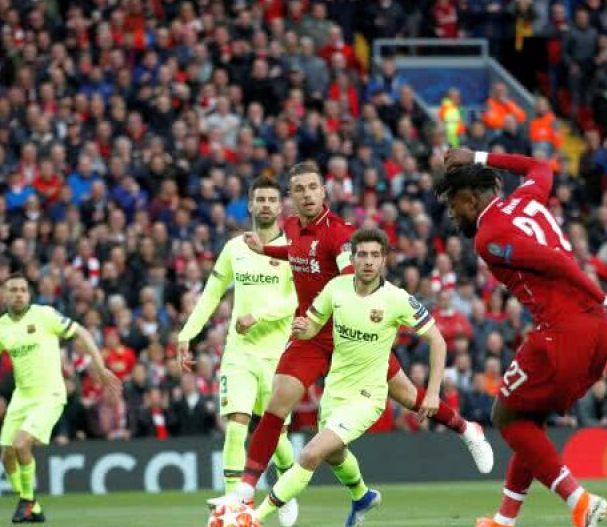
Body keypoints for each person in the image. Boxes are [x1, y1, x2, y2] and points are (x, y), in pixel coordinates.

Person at [208, 161, 492, 508]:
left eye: (313, 187)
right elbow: (298, 253)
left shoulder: (340, 234)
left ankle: (467, 429)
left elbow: (351, 277)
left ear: (324, 191)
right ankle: (245, 489)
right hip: (311, 333)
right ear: (290, 198)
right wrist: (266, 250)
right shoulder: (293, 227)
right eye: (299, 189)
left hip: (350, 333)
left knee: (407, 395)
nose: (307, 195)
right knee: (277, 402)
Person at [441, 147, 607, 527]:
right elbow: (540, 166)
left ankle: (581, 502)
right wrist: (479, 153)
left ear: (472, 199)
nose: (452, 214)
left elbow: (553, 263)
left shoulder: (489, 237)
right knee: (528, 422)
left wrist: (606, 295)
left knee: (505, 416)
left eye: (454, 204)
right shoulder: (526, 198)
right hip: (597, 331)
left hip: (563, 332)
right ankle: (504, 525)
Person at [255, 229, 446, 527]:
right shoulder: (336, 288)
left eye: (374, 255)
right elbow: (313, 328)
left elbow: (437, 340)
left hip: (367, 398)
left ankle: (253, 519)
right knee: (334, 454)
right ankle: (362, 495)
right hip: (334, 393)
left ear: (384, 260)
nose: (368, 261)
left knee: (310, 453)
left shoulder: (397, 299)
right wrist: (302, 327)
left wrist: (433, 392)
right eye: (362, 255)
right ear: (352, 259)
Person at [0, 274, 121, 523]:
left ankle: (27, 501)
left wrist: (100, 366)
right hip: (22, 398)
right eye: (13, 290)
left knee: (21, 445)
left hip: (50, 395)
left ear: (29, 294)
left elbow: (81, 331)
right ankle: (33, 505)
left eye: (23, 290)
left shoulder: (45, 315)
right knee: (6, 455)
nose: (19, 294)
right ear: (4, 296)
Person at [177, 175, 301, 526]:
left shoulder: (291, 249)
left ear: (280, 206)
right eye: (259, 199)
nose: (265, 205)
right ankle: (234, 504)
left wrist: (258, 315)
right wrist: (187, 334)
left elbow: (296, 300)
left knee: (275, 434)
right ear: (249, 205)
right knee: (237, 422)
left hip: (278, 355)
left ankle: (285, 489)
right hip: (239, 353)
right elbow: (211, 294)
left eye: (271, 200)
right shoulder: (234, 248)